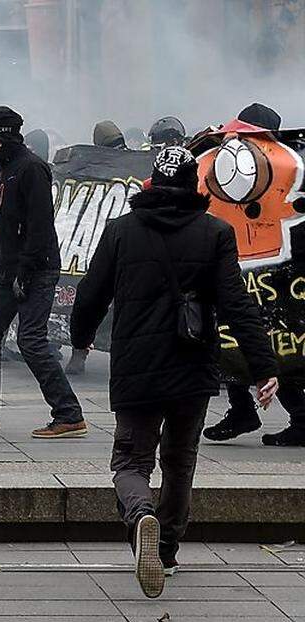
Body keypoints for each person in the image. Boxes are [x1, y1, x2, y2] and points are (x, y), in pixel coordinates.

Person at [70, 146, 278, 598]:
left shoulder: (121, 231)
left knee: (130, 460)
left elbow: (90, 294)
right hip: (192, 368)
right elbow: (236, 304)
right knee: (180, 462)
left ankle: (140, 513)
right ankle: (165, 549)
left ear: (151, 182)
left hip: (135, 367)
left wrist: (80, 339)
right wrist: (263, 367)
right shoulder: (216, 233)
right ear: (193, 184)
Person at [0, 106, 87, 439]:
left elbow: (40, 227)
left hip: (36, 271)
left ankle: (69, 414)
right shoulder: (1, 170)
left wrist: (25, 271)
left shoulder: (32, 169)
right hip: (8, 271)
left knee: (31, 341)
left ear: (0, 139)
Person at [199, 102, 305, 447]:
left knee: (269, 343)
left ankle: (291, 416)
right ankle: (245, 408)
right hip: (249, 268)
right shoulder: (235, 163)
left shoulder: (289, 168)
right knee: (240, 339)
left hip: (276, 274)